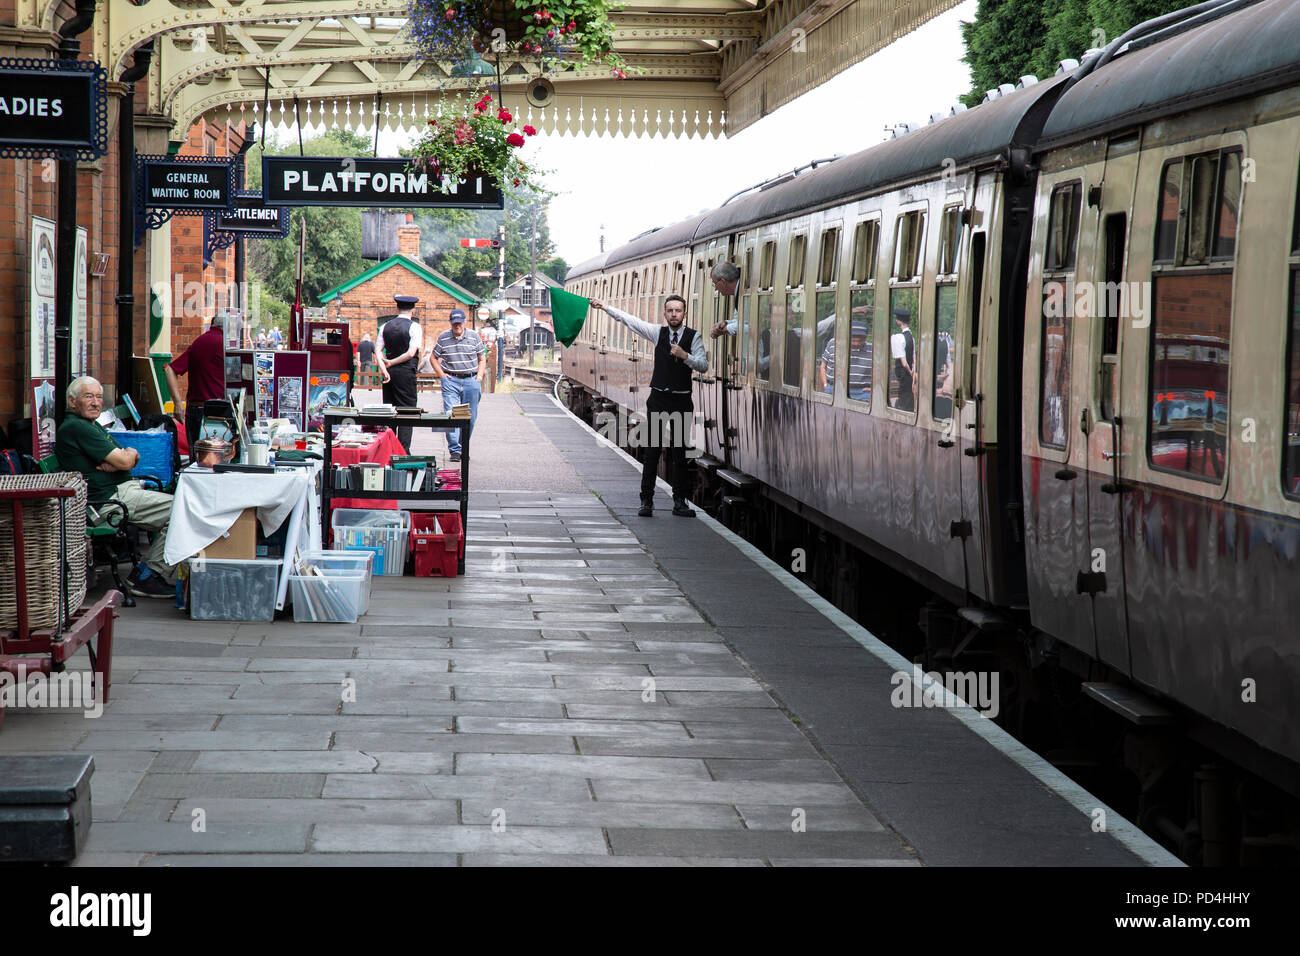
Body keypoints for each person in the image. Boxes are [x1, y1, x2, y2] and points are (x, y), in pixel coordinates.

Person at [57, 377, 176, 598]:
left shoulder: (91, 426)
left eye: (99, 397)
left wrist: (126, 457)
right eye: (88, 396)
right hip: (107, 502)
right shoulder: (77, 427)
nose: (95, 402)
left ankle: (147, 572)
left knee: (182, 507)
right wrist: (124, 459)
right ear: (72, 402)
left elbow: (127, 456)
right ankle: (149, 575)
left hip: (121, 492)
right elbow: (124, 461)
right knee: (182, 511)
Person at [590, 295, 706, 517]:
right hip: (659, 399)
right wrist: (604, 307)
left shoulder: (694, 337)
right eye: (670, 311)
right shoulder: (657, 333)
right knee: (652, 451)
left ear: (685, 313)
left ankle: (680, 502)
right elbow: (630, 321)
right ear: (665, 313)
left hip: (681, 401)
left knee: (680, 453)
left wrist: (685, 356)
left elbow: (703, 365)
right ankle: (646, 500)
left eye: (678, 311)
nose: (674, 314)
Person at [165, 312, 227, 456]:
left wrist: (178, 403)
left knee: (197, 462)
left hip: (195, 410)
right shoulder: (223, 343)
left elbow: (170, 370)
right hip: (216, 414)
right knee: (217, 461)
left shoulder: (199, 341)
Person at [430, 308, 486, 462]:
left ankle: (463, 446)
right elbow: (433, 358)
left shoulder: (474, 337)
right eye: (455, 324)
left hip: (471, 379)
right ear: (451, 323)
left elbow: (482, 358)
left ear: (465, 322)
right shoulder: (443, 338)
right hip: (451, 380)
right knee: (451, 414)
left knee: (470, 417)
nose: (457, 326)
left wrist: (479, 377)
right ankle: (455, 450)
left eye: (460, 323)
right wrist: (442, 376)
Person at [378, 294, 422, 451]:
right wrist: (392, 362)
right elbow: (411, 354)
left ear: (397, 308)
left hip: (389, 375)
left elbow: (377, 350)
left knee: (389, 412)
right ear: (413, 310)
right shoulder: (414, 327)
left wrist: (384, 368)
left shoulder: (385, 326)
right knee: (406, 412)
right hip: (405, 373)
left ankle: (389, 449)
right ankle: (403, 452)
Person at [820, 318, 873, 402]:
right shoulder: (833, 344)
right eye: (853, 338)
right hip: (833, 389)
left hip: (862, 393)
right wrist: (826, 384)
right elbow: (823, 366)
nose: (857, 341)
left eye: (861, 338)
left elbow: (880, 371)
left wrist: (873, 388)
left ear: (866, 337)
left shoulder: (872, 349)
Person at [890, 308, 916, 411]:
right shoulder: (911, 337)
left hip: (904, 373)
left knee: (903, 397)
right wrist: (913, 373)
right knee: (909, 396)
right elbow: (914, 359)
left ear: (898, 321)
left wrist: (909, 372)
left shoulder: (898, 337)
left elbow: (904, 363)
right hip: (910, 375)